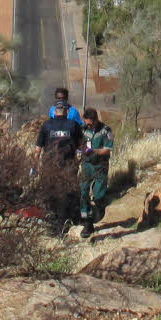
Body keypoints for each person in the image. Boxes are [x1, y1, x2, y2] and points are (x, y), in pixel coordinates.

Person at [36, 101, 84, 234]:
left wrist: (34, 166)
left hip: (49, 167)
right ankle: (63, 227)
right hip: (68, 167)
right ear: (67, 112)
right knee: (66, 196)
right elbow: (83, 145)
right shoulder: (73, 125)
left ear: (54, 112)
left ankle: (51, 227)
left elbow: (37, 149)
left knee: (50, 195)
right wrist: (85, 157)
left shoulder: (46, 125)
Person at [78, 108, 114, 239]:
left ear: (95, 120)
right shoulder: (83, 130)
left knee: (98, 194)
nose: (87, 125)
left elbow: (108, 149)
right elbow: (79, 144)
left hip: (100, 165)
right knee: (83, 192)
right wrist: (81, 150)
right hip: (87, 165)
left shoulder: (106, 130)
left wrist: (94, 151)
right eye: (86, 123)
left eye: (89, 123)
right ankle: (87, 222)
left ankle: (99, 209)